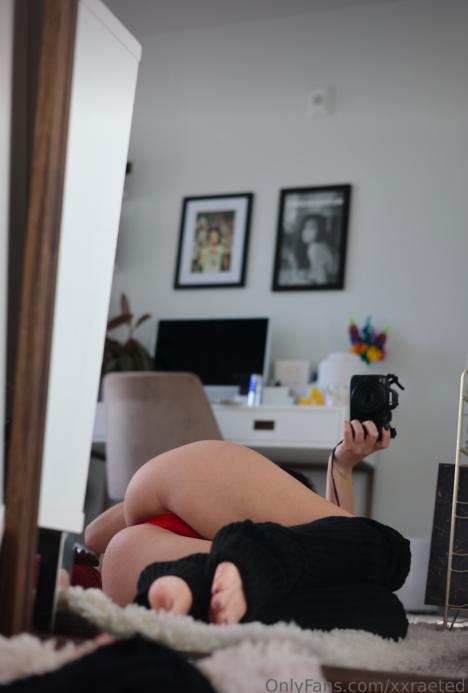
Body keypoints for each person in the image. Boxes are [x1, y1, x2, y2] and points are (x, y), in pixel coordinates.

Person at [85, 420, 411, 640]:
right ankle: (245, 562)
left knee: (384, 604)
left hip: (142, 556)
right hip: (142, 559)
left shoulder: (157, 504)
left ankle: (241, 565)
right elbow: (340, 540)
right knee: (383, 581)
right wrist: (340, 468)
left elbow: (94, 535)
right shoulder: (196, 494)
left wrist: (339, 468)